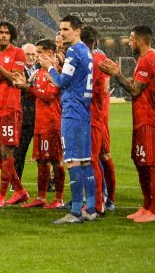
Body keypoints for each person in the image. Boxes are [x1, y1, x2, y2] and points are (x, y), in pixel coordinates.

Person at [99, 25, 155, 223]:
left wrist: (116, 74)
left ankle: (154, 210)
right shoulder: (145, 58)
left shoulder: (148, 59)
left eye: (131, 38)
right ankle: (146, 206)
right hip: (141, 118)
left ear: (141, 40)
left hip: (149, 119)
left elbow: (135, 90)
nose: (129, 42)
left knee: (151, 165)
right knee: (141, 162)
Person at [42, 15, 96, 224]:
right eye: (61, 29)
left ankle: (74, 212)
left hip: (72, 111)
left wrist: (49, 69)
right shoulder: (86, 51)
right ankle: (90, 209)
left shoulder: (73, 51)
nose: (62, 33)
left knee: (72, 161)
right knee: (85, 161)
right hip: (83, 110)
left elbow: (63, 81)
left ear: (77, 30)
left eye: (66, 29)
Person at [0, 20, 30, 207]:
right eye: (0, 32)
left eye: (7, 33)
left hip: (10, 108)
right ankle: (19, 190)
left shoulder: (18, 53)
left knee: (6, 151)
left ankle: (2, 194)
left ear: (11, 36)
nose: (4, 35)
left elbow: (16, 79)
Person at [22, 39, 66, 210]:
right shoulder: (40, 72)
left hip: (52, 124)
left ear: (49, 54)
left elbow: (48, 96)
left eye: (39, 53)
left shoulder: (55, 72)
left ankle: (59, 198)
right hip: (40, 124)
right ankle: (41, 197)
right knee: (41, 160)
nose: (37, 56)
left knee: (55, 160)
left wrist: (28, 88)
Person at [82, 25, 114, 214]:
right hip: (99, 115)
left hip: (91, 116)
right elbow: (105, 88)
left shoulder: (88, 59)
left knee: (92, 159)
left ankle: (97, 203)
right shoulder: (101, 58)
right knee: (100, 157)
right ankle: (106, 200)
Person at [13, 42, 39, 182]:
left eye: (33, 54)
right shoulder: (16, 69)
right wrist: (29, 84)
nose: (31, 57)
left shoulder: (41, 69)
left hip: (41, 116)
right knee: (20, 151)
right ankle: (16, 182)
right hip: (24, 117)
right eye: (28, 54)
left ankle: (47, 183)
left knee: (44, 154)